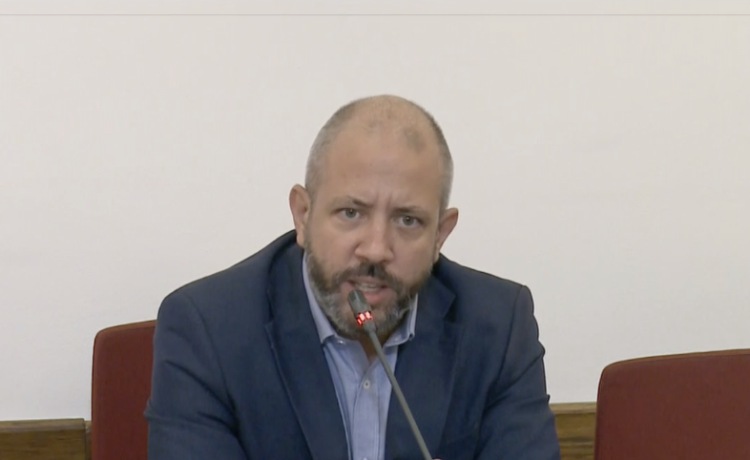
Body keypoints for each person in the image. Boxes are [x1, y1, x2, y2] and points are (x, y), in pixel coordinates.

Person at [145, 95, 561, 460]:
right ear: (303, 215)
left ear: (440, 234)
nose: (376, 249)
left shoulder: (499, 327)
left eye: (408, 220)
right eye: (351, 213)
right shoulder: (208, 331)